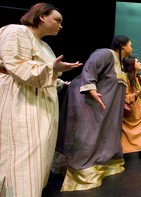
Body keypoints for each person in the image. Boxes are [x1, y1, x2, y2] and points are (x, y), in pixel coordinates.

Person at [0, 3, 82, 196]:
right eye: (57, 20)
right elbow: (15, 65)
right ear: (42, 16)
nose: (60, 26)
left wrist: (61, 81)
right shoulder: (16, 31)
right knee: (22, 154)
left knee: (38, 156)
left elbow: (45, 71)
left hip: (40, 105)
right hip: (20, 101)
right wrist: (51, 69)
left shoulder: (44, 46)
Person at [56, 35, 133, 191]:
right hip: (90, 102)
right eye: (131, 45)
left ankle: (104, 164)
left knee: (107, 135)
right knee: (89, 134)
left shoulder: (121, 64)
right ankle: (81, 173)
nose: (132, 48)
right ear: (123, 46)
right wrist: (91, 89)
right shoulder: (105, 53)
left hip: (108, 108)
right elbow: (90, 68)